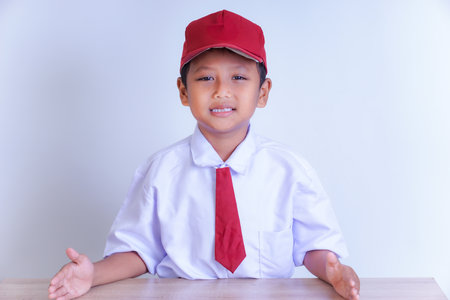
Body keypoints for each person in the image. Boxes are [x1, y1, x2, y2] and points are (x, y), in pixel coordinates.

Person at [48, 9, 360, 300]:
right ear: (184, 92)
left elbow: (314, 247)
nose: (222, 90)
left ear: (262, 92)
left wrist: (332, 272)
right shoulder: (161, 171)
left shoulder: (289, 169)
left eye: (238, 77)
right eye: (205, 78)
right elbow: (139, 250)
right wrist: (93, 275)